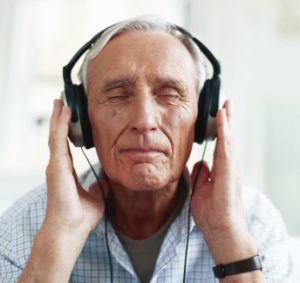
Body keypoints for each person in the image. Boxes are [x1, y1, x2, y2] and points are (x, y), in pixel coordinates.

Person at [0, 15, 292, 283]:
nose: (144, 120)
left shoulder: (254, 223)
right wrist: (60, 238)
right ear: (79, 121)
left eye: (169, 94)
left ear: (207, 118)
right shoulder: (23, 227)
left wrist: (226, 236)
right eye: (118, 95)